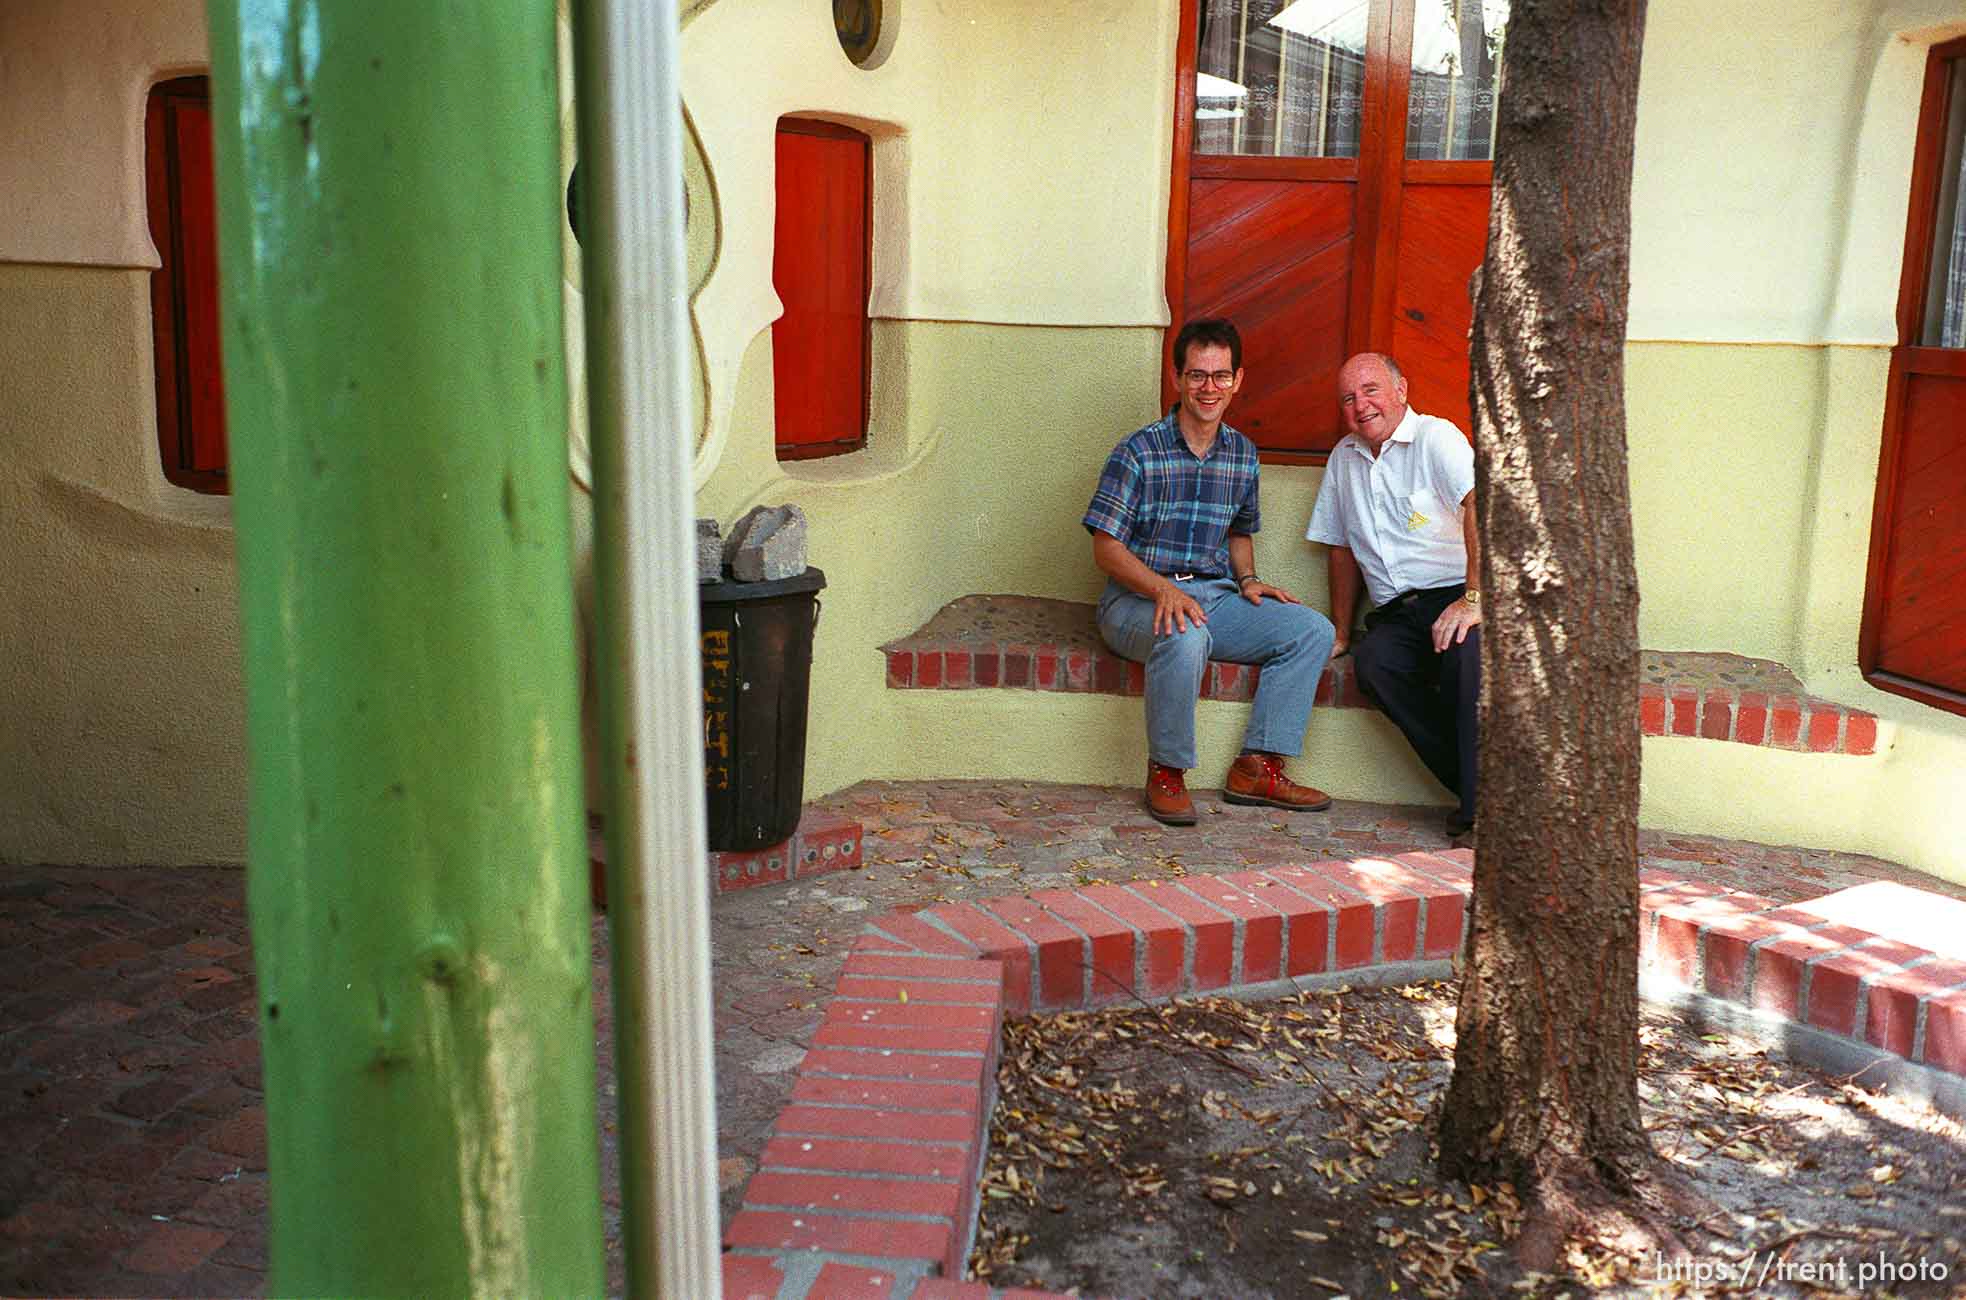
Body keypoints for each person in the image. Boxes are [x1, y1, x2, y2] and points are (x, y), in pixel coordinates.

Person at [1084, 318, 1337, 826]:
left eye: (1221, 376)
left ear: (1238, 380)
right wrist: (1161, 591)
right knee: (1184, 635)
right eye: (1197, 375)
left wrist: (1248, 580)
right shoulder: (1138, 452)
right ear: (1177, 379)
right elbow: (1107, 549)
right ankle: (1167, 773)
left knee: (1312, 630)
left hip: (1213, 597)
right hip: (1136, 602)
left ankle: (1258, 767)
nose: (1209, 388)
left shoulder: (1241, 453)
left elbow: (1239, 530)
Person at [1305, 352, 1481, 844]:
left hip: (1454, 594)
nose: (1361, 405)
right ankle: (1490, 790)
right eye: (1348, 397)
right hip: (1394, 616)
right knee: (1374, 666)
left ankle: (1475, 815)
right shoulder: (1344, 458)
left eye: (1371, 389)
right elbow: (1340, 547)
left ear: (1401, 390)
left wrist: (1473, 598)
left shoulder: (1436, 438)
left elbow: (1479, 507)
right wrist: (1341, 630)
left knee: (1466, 656)